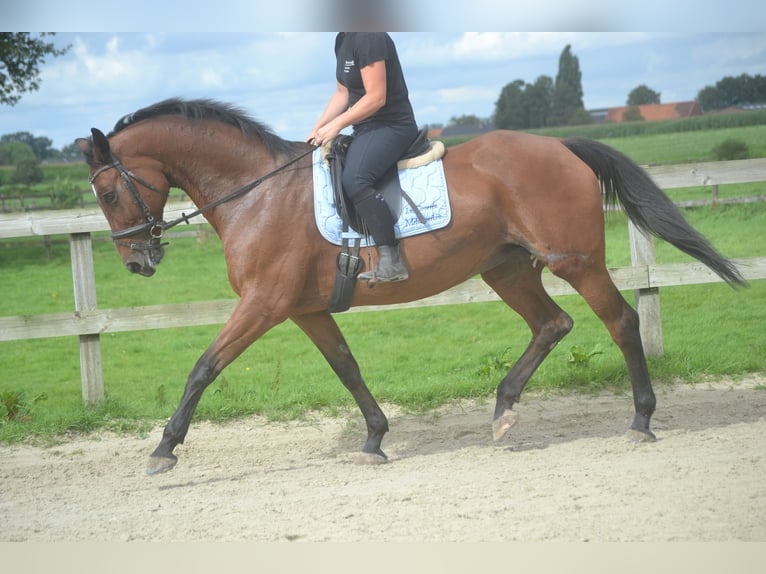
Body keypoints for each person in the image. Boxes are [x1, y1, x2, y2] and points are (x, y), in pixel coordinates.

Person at [307, 32, 418, 283]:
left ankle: (391, 261)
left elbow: (376, 97)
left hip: (391, 125)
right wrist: (317, 128)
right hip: (366, 129)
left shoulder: (370, 37)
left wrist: (337, 125)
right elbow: (342, 93)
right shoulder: (343, 39)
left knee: (356, 179)